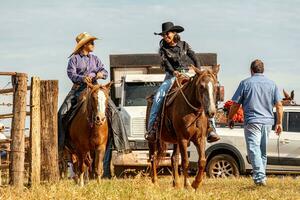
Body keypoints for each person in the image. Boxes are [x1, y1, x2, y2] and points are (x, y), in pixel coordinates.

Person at [58, 32, 130, 177]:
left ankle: (120, 143)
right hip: (79, 89)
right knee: (61, 113)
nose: (93, 45)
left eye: (92, 43)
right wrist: (82, 78)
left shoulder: (95, 59)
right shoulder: (74, 60)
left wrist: (99, 75)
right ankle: (61, 143)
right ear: (84, 45)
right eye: (91, 43)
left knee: (114, 112)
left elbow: (104, 71)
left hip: (96, 88)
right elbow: (71, 74)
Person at [145, 22, 220, 143]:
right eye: (163, 35)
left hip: (188, 73)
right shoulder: (163, 49)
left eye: (167, 34)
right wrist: (174, 72)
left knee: (206, 92)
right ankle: (152, 129)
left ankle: (211, 128)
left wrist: (198, 71)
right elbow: (166, 63)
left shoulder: (184, 45)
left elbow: (194, 57)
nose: (165, 36)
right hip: (171, 76)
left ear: (174, 33)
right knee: (159, 96)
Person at [228, 59, 283, 186]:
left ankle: (259, 178)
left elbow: (236, 104)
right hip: (268, 122)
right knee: (262, 151)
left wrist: (230, 118)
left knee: (254, 150)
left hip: (253, 121)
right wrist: (279, 123)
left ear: (251, 70)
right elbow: (279, 105)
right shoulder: (272, 84)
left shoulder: (245, 83)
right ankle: (261, 176)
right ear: (263, 70)